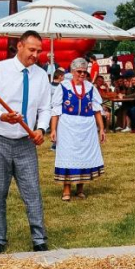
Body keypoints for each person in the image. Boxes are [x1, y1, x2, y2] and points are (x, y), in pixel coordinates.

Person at [0, 30, 51, 254]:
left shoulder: (41, 75)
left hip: (25, 142)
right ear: (19, 46)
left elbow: (45, 108)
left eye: (39, 51)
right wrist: (3, 116)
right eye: (32, 50)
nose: (35, 55)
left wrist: (41, 128)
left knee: (32, 191)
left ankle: (39, 239)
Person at [50, 57, 105, 201]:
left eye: (84, 72)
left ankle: (80, 188)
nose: (82, 74)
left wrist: (102, 129)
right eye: (79, 71)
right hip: (68, 125)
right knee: (68, 155)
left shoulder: (90, 87)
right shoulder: (63, 86)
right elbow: (56, 109)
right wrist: (53, 129)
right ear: (72, 71)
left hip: (87, 126)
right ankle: (66, 189)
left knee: (84, 156)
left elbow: (97, 109)